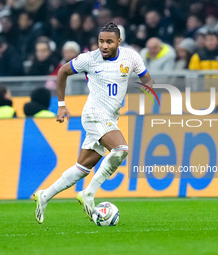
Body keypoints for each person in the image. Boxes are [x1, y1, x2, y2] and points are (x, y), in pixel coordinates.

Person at [34, 22, 154, 224]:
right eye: (101, 41)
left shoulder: (131, 57)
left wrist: (146, 90)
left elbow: (148, 80)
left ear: (119, 42)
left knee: (83, 168)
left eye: (109, 41)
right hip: (94, 114)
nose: (104, 46)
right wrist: (61, 105)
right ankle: (89, 193)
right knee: (121, 149)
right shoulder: (89, 59)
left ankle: (44, 195)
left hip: (110, 117)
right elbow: (62, 71)